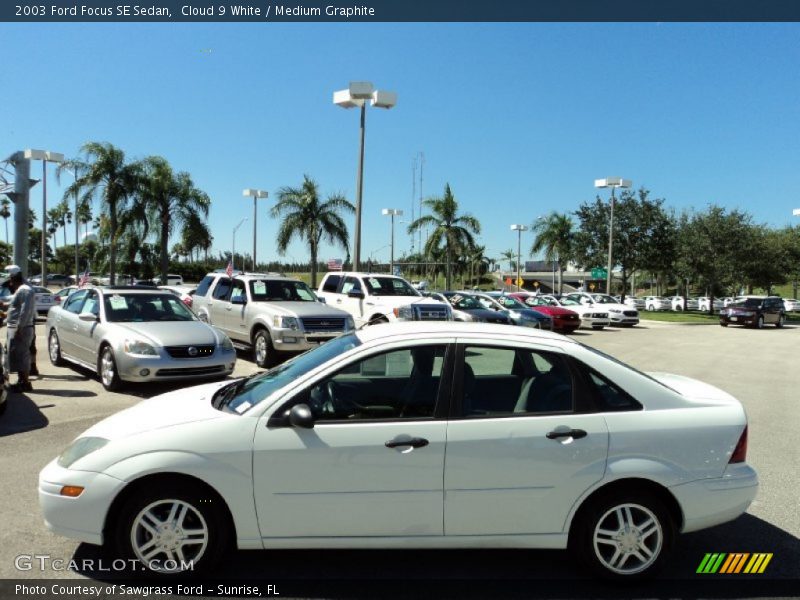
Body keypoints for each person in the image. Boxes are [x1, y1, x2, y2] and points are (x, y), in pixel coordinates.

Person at [5, 268, 36, 393]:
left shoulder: (25, 290)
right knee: (17, 356)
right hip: (17, 328)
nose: (10, 283)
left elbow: (25, 310)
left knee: (22, 356)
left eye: (10, 279)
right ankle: (21, 381)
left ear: (13, 279)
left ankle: (25, 383)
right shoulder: (21, 290)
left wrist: (19, 327)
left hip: (21, 329)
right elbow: (16, 308)